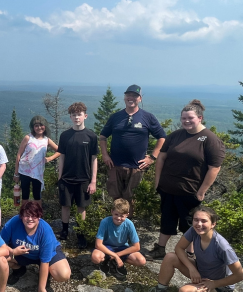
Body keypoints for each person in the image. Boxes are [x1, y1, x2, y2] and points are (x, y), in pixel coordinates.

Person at [147, 100, 226, 260]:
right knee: (166, 218)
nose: (186, 121)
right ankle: (160, 249)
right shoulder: (176, 135)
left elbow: (214, 168)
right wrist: (158, 182)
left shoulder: (210, 140)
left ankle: (190, 253)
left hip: (190, 191)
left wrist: (202, 191)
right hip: (168, 188)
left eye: (190, 118)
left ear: (200, 118)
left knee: (189, 223)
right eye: (184, 118)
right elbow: (162, 157)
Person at [141, 206, 243, 292]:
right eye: (196, 220)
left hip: (220, 285)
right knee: (170, 257)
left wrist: (214, 283)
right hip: (201, 272)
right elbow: (179, 248)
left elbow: (240, 275)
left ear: (213, 224)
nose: (198, 224)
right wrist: (192, 269)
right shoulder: (194, 231)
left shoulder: (222, 247)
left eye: (204, 221)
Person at [99, 85, 166, 216]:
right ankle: (116, 224)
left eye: (135, 96)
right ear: (124, 97)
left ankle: (128, 225)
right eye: (128, 95)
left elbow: (162, 137)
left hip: (136, 166)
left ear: (140, 99)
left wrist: (152, 157)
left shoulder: (147, 117)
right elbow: (103, 136)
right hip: (115, 164)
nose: (131, 98)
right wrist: (105, 155)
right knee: (116, 197)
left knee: (131, 198)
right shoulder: (116, 117)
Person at [1, 201, 71, 292]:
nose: (30, 219)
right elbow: (0, 244)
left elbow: (45, 260)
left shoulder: (45, 230)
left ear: (39, 217)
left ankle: (46, 274)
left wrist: (41, 288)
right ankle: (19, 270)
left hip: (45, 255)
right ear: (21, 216)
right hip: (22, 253)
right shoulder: (14, 222)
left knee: (63, 274)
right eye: (26, 215)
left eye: (34, 216)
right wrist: (12, 251)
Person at [57, 102, 98, 249]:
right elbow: (62, 157)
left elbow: (94, 159)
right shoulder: (65, 135)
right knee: (65, 206)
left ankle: (81, 233)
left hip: (84, 179)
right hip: (67, 178)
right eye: (73, 115)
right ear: (70, 117)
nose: (76, 117)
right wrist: (59, 177)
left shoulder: (91, 136)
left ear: (85, 116)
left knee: (82, 207)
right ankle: (64, 230)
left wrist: (93, 181)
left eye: (79, 114)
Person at [90, 199, 146, 281]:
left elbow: (137, 247)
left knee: (141, 261)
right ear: (112, 211)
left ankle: (113, 261)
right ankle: (107, 260)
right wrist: (116, 256)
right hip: (106, 247)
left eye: (122, 216)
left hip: (122, 247)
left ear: (127, 215)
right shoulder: (105, 222)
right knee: (96, 257)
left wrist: (118, 254)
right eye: (116, 214)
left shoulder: (129, 224)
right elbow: (98, 244)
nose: (119, 218)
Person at [13, 116, 60, 206]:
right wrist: (16, 173)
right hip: (24, 170)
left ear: (45, 126)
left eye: (41, 125)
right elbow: (19, 155)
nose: (39, 128)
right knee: (25, 195)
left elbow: (60, 150)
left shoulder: (47, 140)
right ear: (33, 127)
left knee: (37, 195)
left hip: (38, 172)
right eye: (36, 126)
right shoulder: (28, 138)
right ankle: (24, 215)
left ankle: (38, 216)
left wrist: (50, 158)